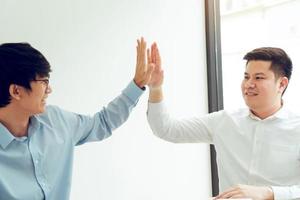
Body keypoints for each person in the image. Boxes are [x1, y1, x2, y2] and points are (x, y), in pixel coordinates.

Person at [0, 38, 155, 200]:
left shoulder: (56, 120)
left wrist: (137, 85)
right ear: (16, 91)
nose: (49, 89)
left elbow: (101, 122)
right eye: (44, 82)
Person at [146, 44, 300, 200]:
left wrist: (269, 193)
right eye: (246, 77)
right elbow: (165, 129)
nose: (249, 84)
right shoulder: (224, 121)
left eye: (258, 77)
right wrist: (156, 88)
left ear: (281, 84)